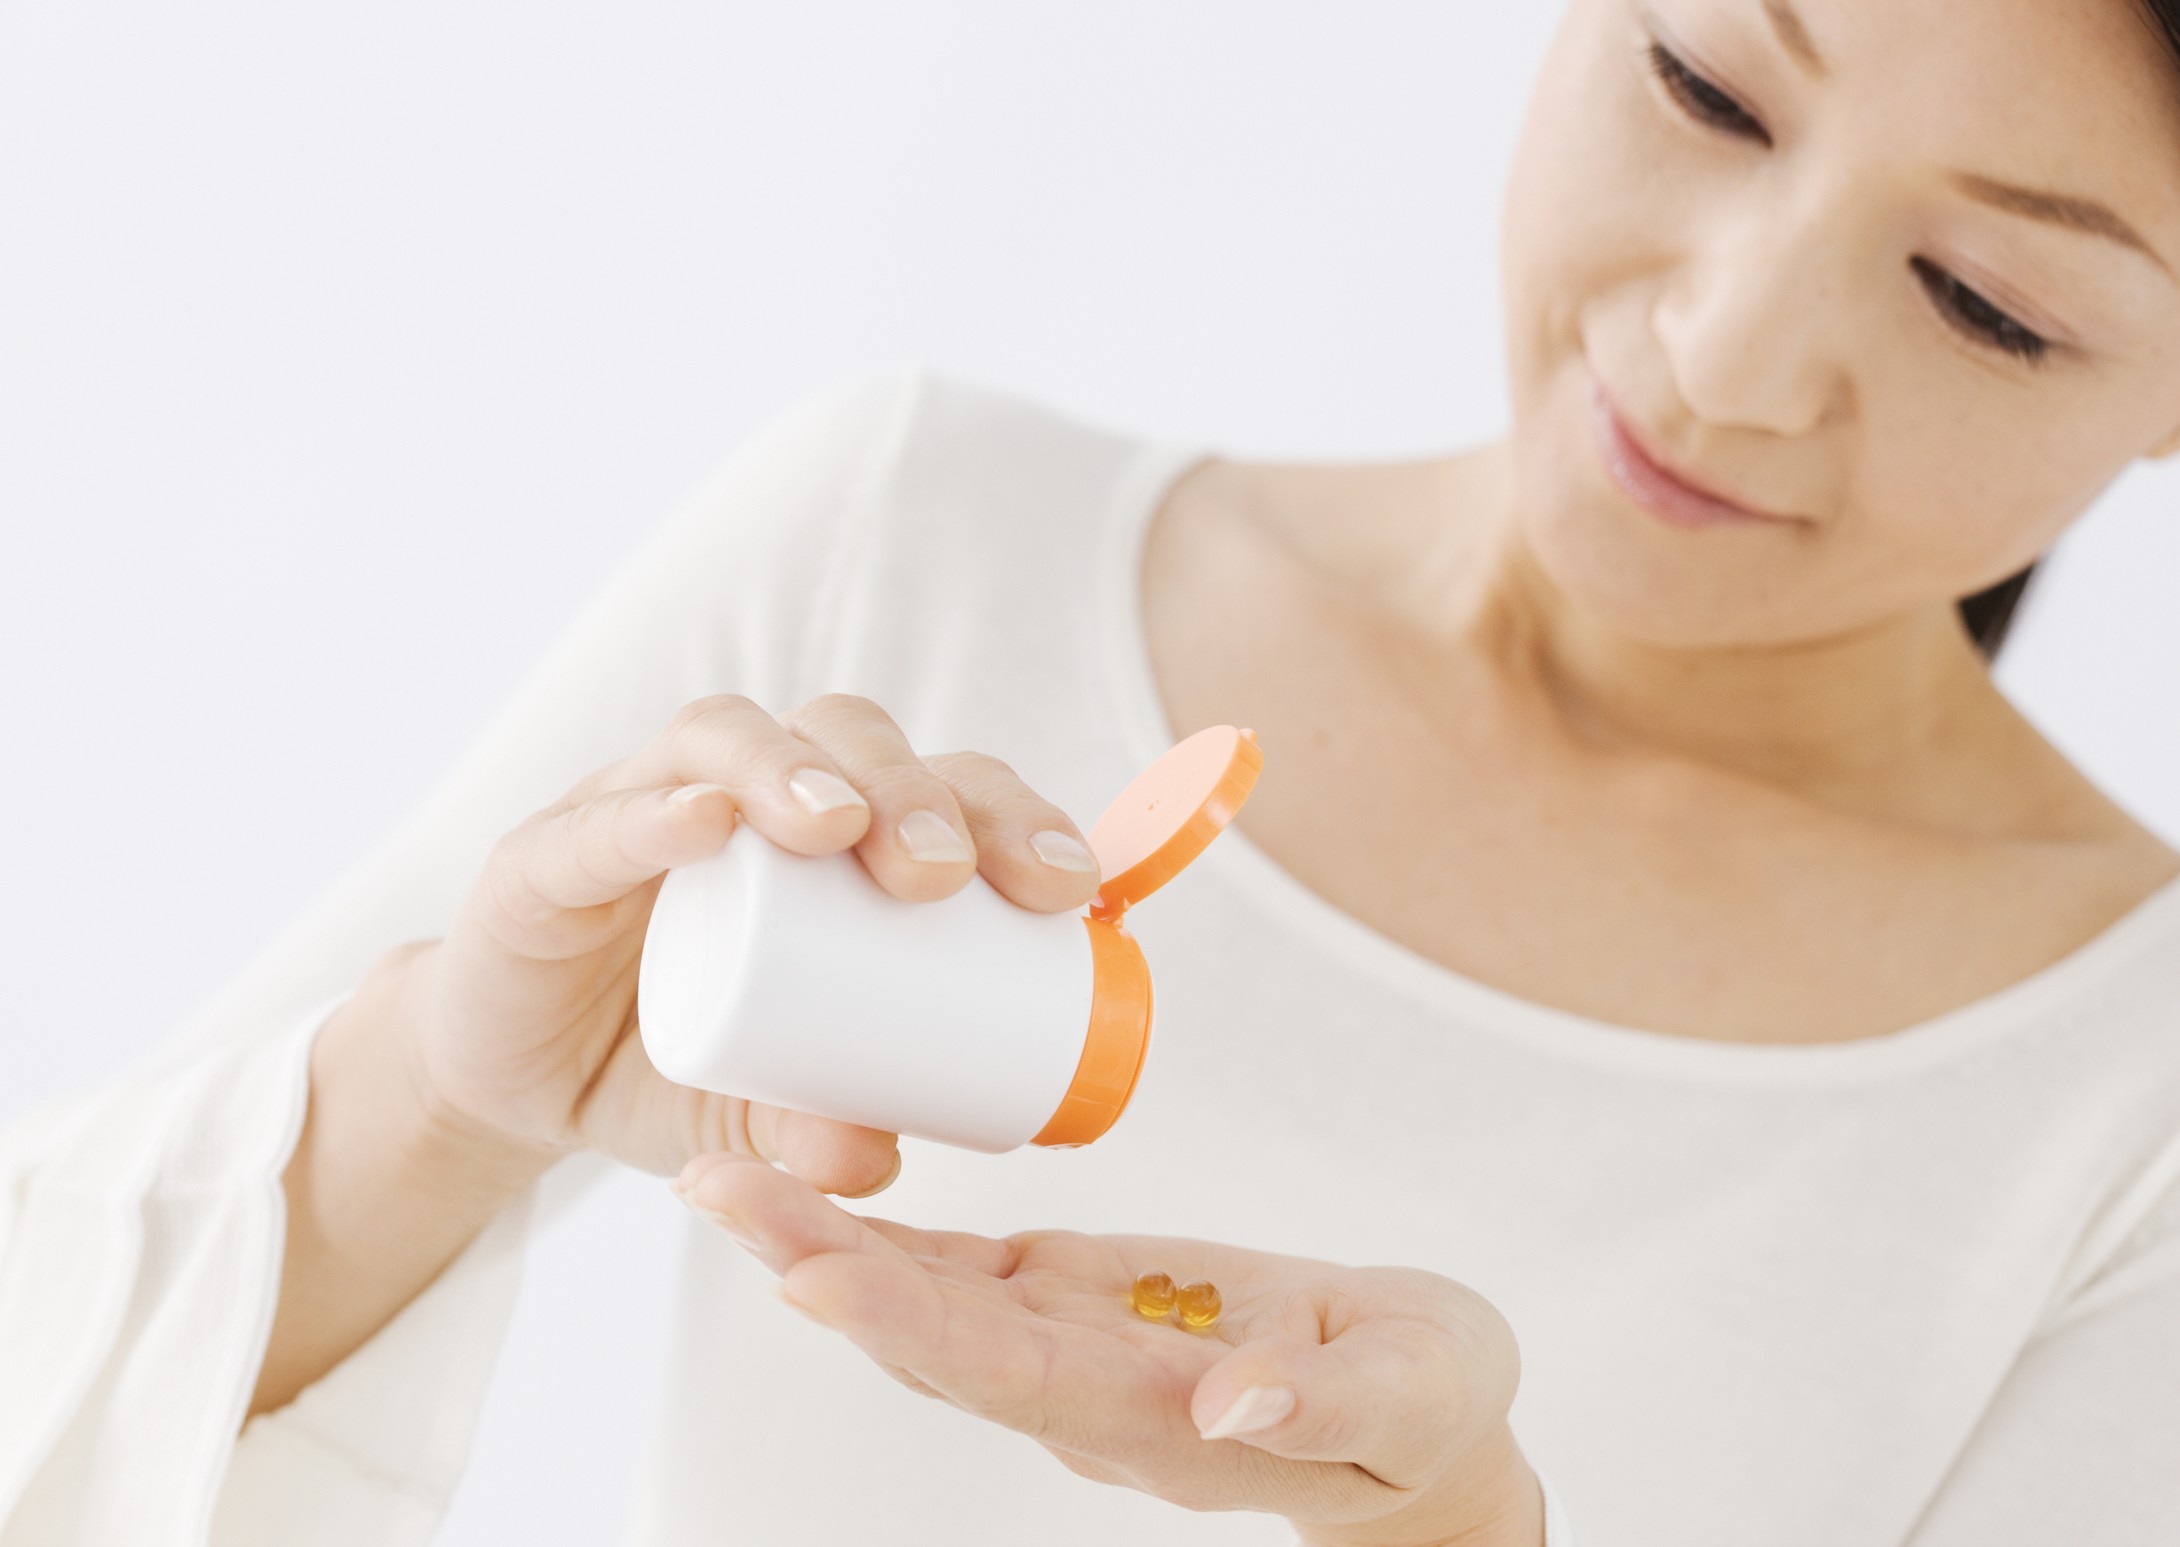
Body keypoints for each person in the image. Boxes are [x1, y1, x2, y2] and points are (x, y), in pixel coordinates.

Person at [6, 0, 2180, 1541]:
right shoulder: (910, 538)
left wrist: (1445, 1533)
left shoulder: (2133, 1099)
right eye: (1706, 85)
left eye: (1987, 303)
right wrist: (445, 1095)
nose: (1725, 355)